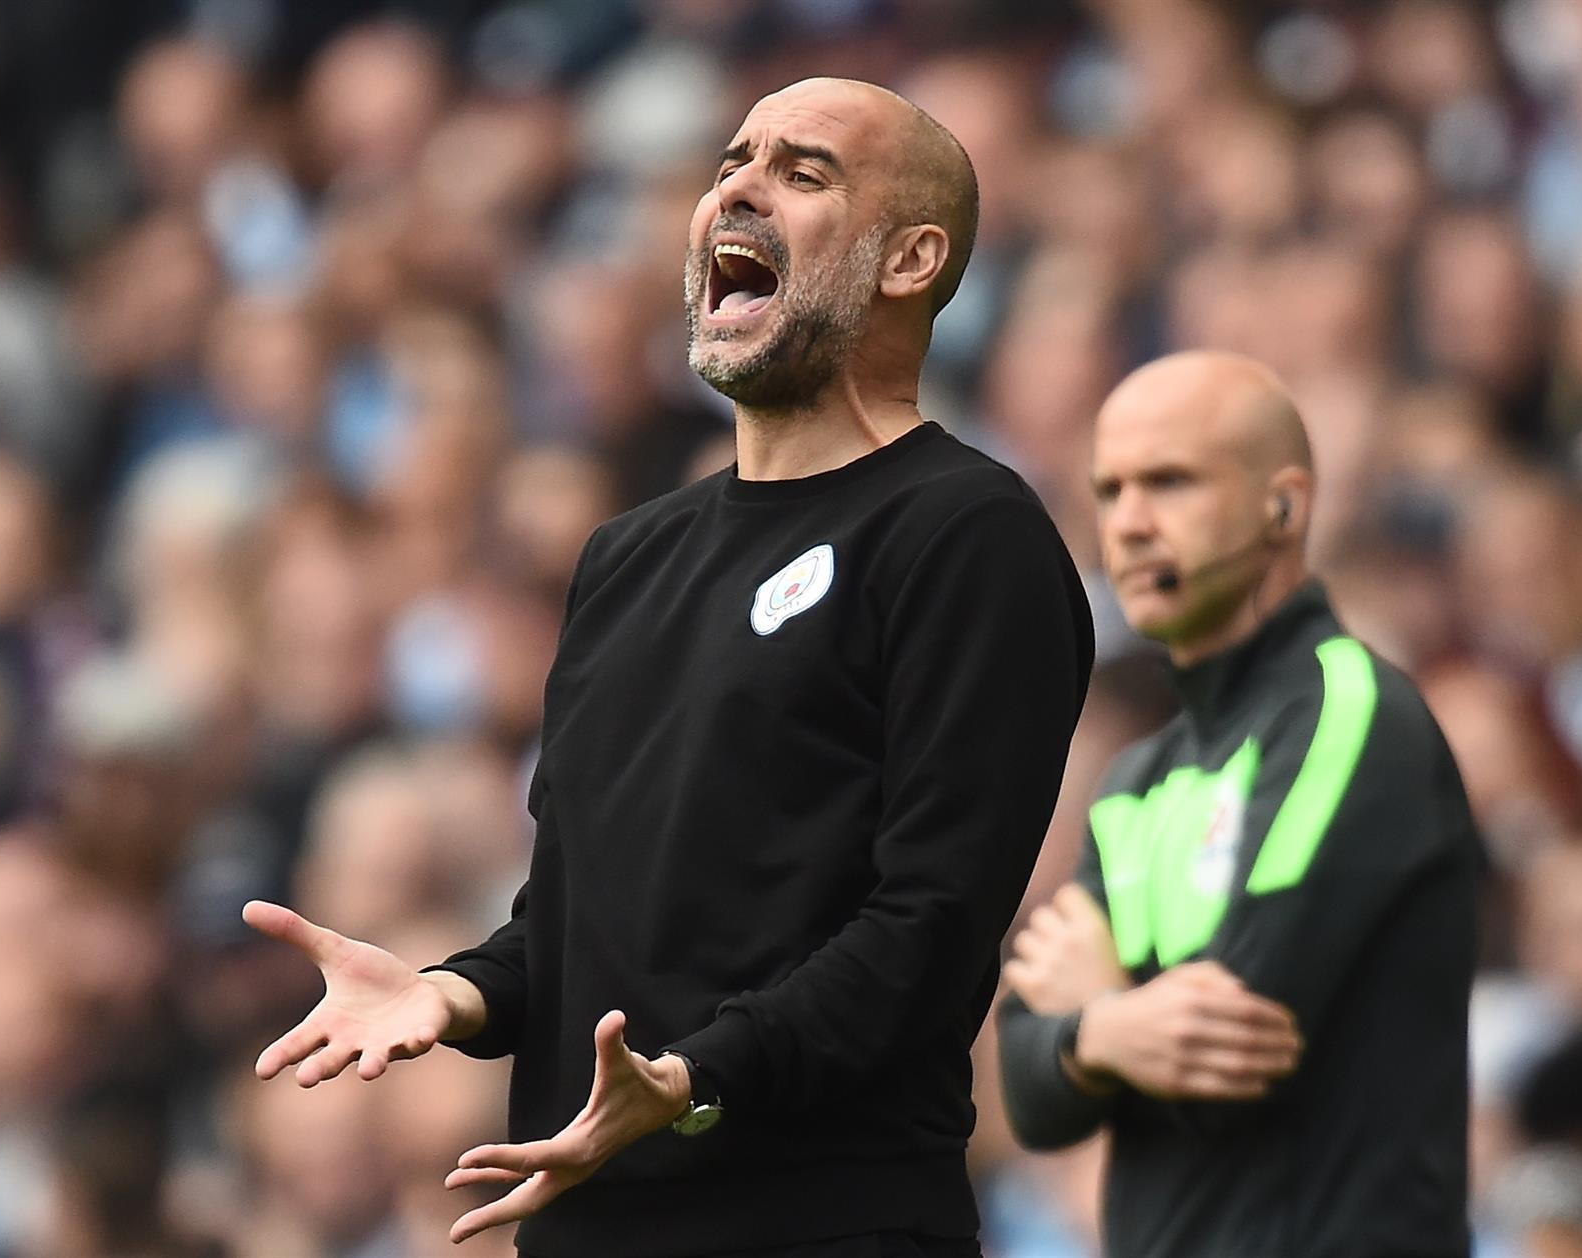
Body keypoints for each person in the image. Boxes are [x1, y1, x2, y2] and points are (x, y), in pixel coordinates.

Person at [242, 77, 1093, 1257]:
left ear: (911, 260)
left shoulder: (965, 532)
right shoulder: (626, 557)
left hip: (822, 1227)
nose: (736, 188)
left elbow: (928, 933)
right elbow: (582, 913)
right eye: (730, 162)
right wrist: (455, 991)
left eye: (803, 173)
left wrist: (696, 1078)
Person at [996, 350, 1478, 1258]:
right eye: (1109, 491)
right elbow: (1029, 1092)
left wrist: (1091, 1013)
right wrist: (1114, 1032)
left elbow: (1236, 1042)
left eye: (1169, 482)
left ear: (1284, 504)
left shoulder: (1349, 712)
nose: (1129, 524)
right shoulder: (1135, 781)